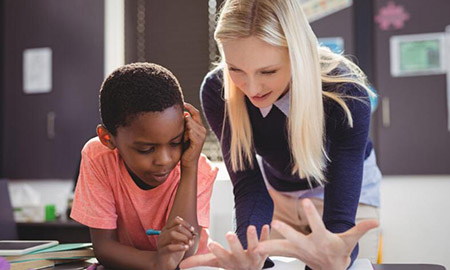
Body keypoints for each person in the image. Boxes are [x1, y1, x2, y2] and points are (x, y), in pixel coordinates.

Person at [180, 0, 381, 269]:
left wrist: (335, 254)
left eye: (268, 71)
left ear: (297, 54)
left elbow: (339, 219)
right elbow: (249, 184)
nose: (252, 88)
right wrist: (249, 252)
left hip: (344, 190)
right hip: (277, 194)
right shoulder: (217, 91)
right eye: (236, 69)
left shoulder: (345, 93)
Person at [70, 63, 218, 270]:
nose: (164, 160)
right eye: (146, 149)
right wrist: (157, 262)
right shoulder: (98, 157)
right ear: (107, 138)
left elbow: (183, 256)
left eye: (175, 143)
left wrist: (189, 167)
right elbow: (104, 247)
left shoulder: (197, 165)